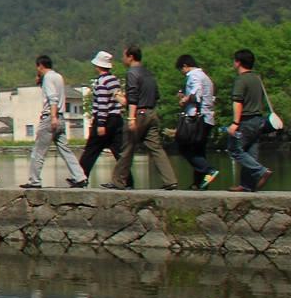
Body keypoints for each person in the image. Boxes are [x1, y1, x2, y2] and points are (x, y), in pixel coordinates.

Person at [107, 45, 178, 190]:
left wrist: (131, 117)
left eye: (124, 55)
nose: (123, 58)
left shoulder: (132, 73)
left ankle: (118, 181)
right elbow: (156, 94)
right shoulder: (148, 73)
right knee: (156, 148)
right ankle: (170, 180)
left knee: (127, 147)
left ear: (130, 57)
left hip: (139, 114)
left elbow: (133, 97)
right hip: (152, 113)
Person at [23, 55, 85, 189]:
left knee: (38, 151)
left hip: (51, 118)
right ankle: (80, 177)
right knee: (65, 150)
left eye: (37, 67)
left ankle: (34, 180)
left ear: (40, 66)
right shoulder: (58, 77)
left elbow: (53, 98)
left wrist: (53, 117)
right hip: (61, 118)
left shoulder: (48, 78)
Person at [78, 51, 127, 186]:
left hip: (104, 119)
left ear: (98, 66)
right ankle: (127, 180)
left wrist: (100, 123)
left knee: (91, 149)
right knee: (119, 151)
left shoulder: (101, 82)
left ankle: (80, 177)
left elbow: (102, 103)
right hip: (117, 118)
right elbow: (119, 99)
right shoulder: (115, 80)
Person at [228, 48, 273, 192]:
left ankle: (261, 171)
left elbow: (238, 102)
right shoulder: (257, 78)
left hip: (245, 120)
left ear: (238, 62)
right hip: (258, 120)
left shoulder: (241, 79)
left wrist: (235, 123)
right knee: (250, 151)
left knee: (234, 149)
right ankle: (247, 185)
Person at [175, 55, 218, 190]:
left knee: (184, 147)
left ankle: (209, 170)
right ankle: (198, 183)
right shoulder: (205, 76)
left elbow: (196, 93)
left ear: (185, 66)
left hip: (197, 118)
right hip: (207, 117)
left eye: (181, 69)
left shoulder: (194, 76)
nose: (182, 73)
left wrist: (184, 99)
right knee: (198, 150)